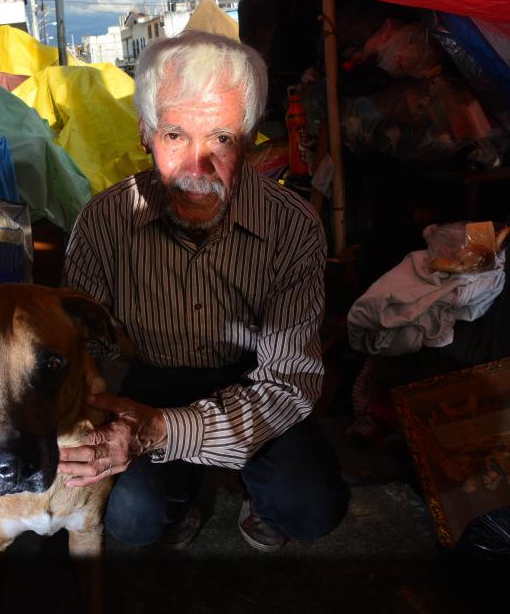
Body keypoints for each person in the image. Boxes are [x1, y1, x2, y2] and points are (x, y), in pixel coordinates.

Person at [59, 30, 349, 552]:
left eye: (222, 138)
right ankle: (185, 493)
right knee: (131, 523)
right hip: (144, 380)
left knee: (311, 507)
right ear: (145, 133)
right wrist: (114, 423)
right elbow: (83, 358)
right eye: (175, 136)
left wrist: (163, 431)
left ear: (254, 136)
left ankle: (238, 484)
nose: (197, 167)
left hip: (251, 381)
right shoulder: (102, 224)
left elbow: (285, 383)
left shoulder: (294, 227)